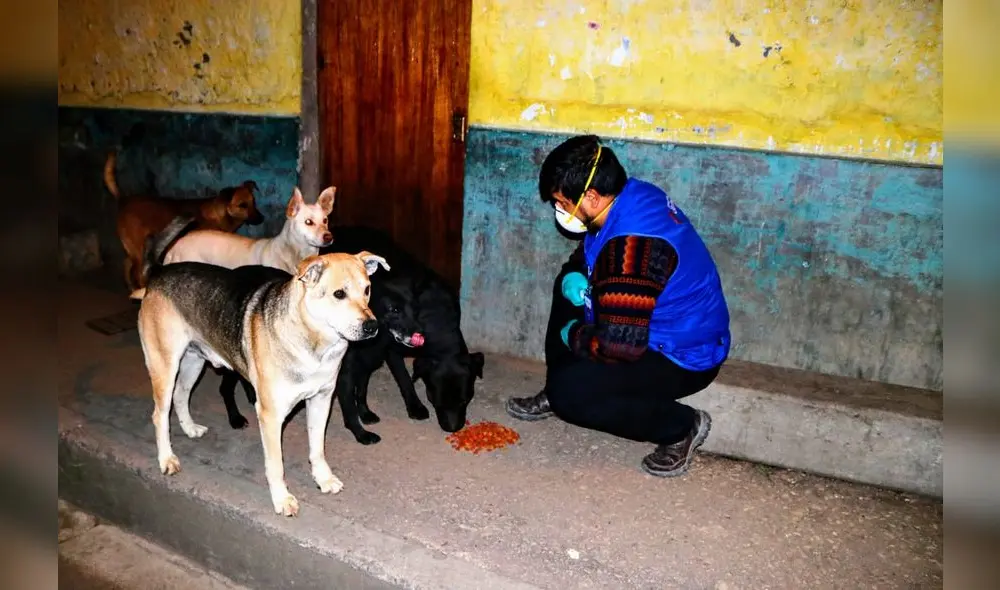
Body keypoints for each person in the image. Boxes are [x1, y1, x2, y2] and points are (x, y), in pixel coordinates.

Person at [505, 135, 731, 477]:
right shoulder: (630, 197)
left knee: (572, 395)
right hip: (645, 323)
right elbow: (589, 256)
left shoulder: (633, 251)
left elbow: (620, 347)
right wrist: (577, 276)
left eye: (563, 202)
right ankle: (557, 385)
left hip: (680, 354)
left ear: (592, 197)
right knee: (567, 285)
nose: (561, 211)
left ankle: (681, 426)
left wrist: (573, 334)